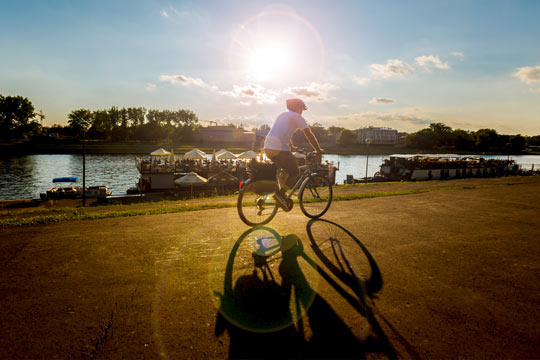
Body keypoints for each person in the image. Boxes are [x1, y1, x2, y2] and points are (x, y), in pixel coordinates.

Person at [264, 98, 323, 210]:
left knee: (286, 170)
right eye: (302, 108)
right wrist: (318, 150)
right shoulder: (297, 117)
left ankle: (281, 195)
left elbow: (284, 133)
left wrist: (292, 147)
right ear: (297, 107)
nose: (302, 111)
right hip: (280, 149)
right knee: (295, 172)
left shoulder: (282, 115)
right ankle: (280, 195)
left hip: (267, 147)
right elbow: (308, 134)